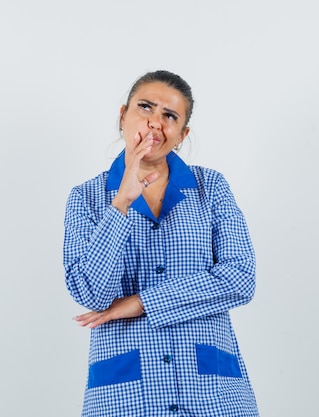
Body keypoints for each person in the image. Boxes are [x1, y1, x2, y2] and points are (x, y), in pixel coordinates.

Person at [63, 70, 259, 417]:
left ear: (181, 135)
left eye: (169, 116)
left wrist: (141, 302)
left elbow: (239, 278)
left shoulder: (209, 187)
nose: (156, 123)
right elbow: (93, 294)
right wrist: (120, 203)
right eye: (146, 107)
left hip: (211, 394)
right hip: (126, 397)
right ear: (123, 115)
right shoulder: (87, 199)